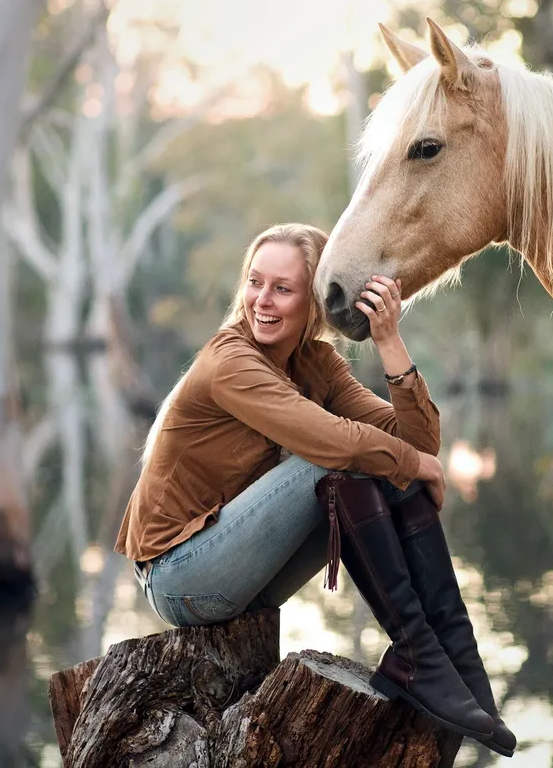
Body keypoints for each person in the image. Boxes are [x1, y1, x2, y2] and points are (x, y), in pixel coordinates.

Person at [114, 223, 517, 756]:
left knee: (372, 464)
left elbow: (417, 441)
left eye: (283, 288)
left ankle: (452, 652)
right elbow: (340, 445)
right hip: (179, 576)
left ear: (314, 302)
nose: (262, 300)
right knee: (334, 462)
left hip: (243, 574)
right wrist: (416, 465)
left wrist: (389, 341)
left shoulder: (316, 364)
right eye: (255, 283)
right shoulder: (229, 363)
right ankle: (418, 653)